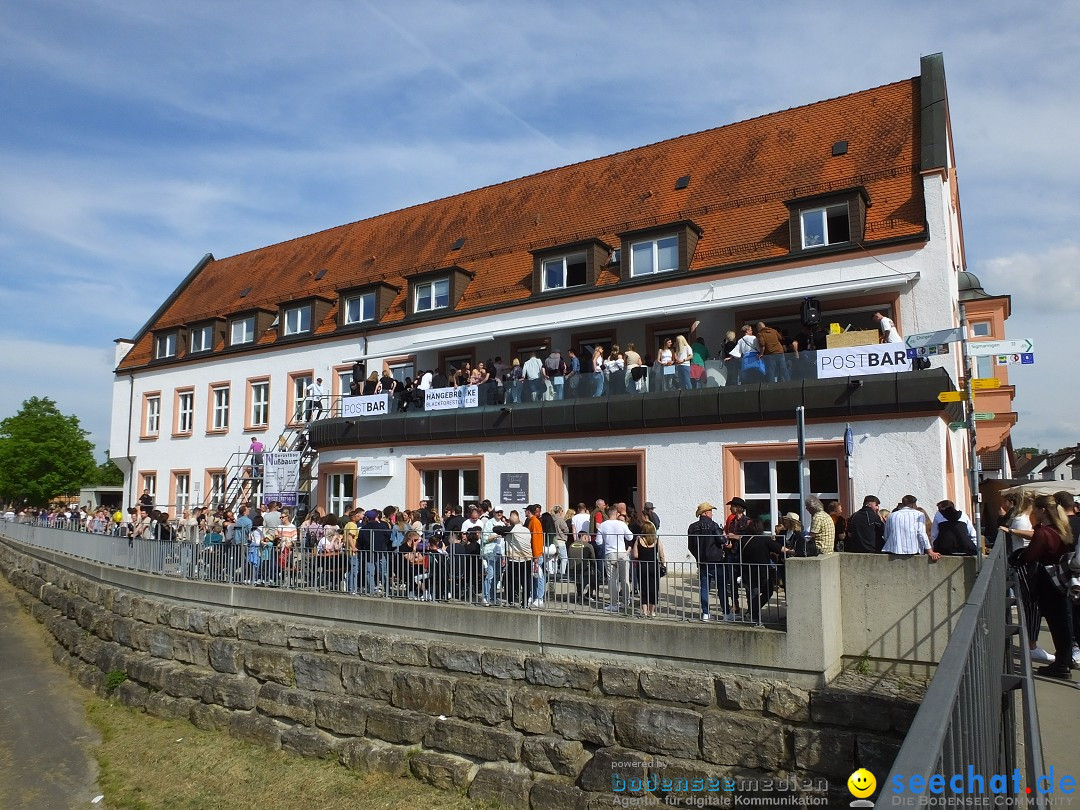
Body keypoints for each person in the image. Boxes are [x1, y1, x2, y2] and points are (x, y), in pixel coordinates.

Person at [1019, 495, 1076, 679]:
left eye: (1035, 509)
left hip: (1048, 582)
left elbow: (1030, 556)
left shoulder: (1044, 533)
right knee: (1063, 622)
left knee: (1056, 623)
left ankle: (1061, 664)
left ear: (1043, 510)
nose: (1033, 512)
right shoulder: (1062, 528)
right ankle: (1064, 660)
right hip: (1062, 580)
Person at [688, 501, 733, 622]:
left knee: (704, 588)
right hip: (716, 561)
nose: (712, 514)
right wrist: (726, 542)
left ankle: (706, 613)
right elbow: (721, 539)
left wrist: (698, 556)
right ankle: (726, 614)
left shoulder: (692, 527)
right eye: (711, 512)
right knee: (722, 588)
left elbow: (690, 546)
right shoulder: (713, 525)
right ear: (706, 513)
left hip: (702, 562)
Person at [597, 507, 633, 613]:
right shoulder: (622, 524)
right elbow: (630, 537)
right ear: (616, 514)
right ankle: (626, 602)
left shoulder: (603, 525)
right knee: (625, 579)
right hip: (622, 552)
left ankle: (613, 603)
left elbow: (599, 542)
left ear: (608, 514)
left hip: (610, 553)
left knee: (612, 579)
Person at [883, 495, 941, 560]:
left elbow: (886, 534)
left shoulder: (892, 515)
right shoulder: (919, 514)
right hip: (913, 550)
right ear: (913, 504)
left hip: (893, 549)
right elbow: (921, 533)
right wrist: (930, 551)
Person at [631, 519, 665, 618]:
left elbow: (635, 555)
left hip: (642, 566)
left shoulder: (639, 540)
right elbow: (662, 556)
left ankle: (644, 611)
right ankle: (652, 611)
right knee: (654, 589)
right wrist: (663, 564)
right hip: (653, 566)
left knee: (643, 589)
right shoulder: (657, 540)